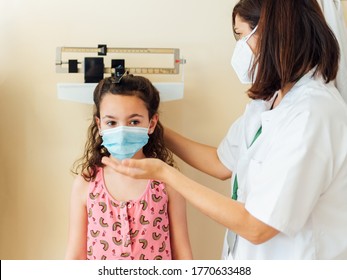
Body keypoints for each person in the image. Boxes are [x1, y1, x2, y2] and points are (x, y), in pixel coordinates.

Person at [102, 0, 347, 260]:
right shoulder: (268, 102)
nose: (239, 49)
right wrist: (147, 127)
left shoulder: (314, 114)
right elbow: (221, 163)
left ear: (273, 34)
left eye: (241, 37)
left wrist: (166, 174)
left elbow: (257, 226)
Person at [65, 74, 192, 260]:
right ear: (100, 125)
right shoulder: (86, 183)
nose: (122, 131)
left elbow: (183, 256)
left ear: (151, 123)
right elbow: (74, 258)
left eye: (133, 122)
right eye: (111, 122)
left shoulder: (168, 182)